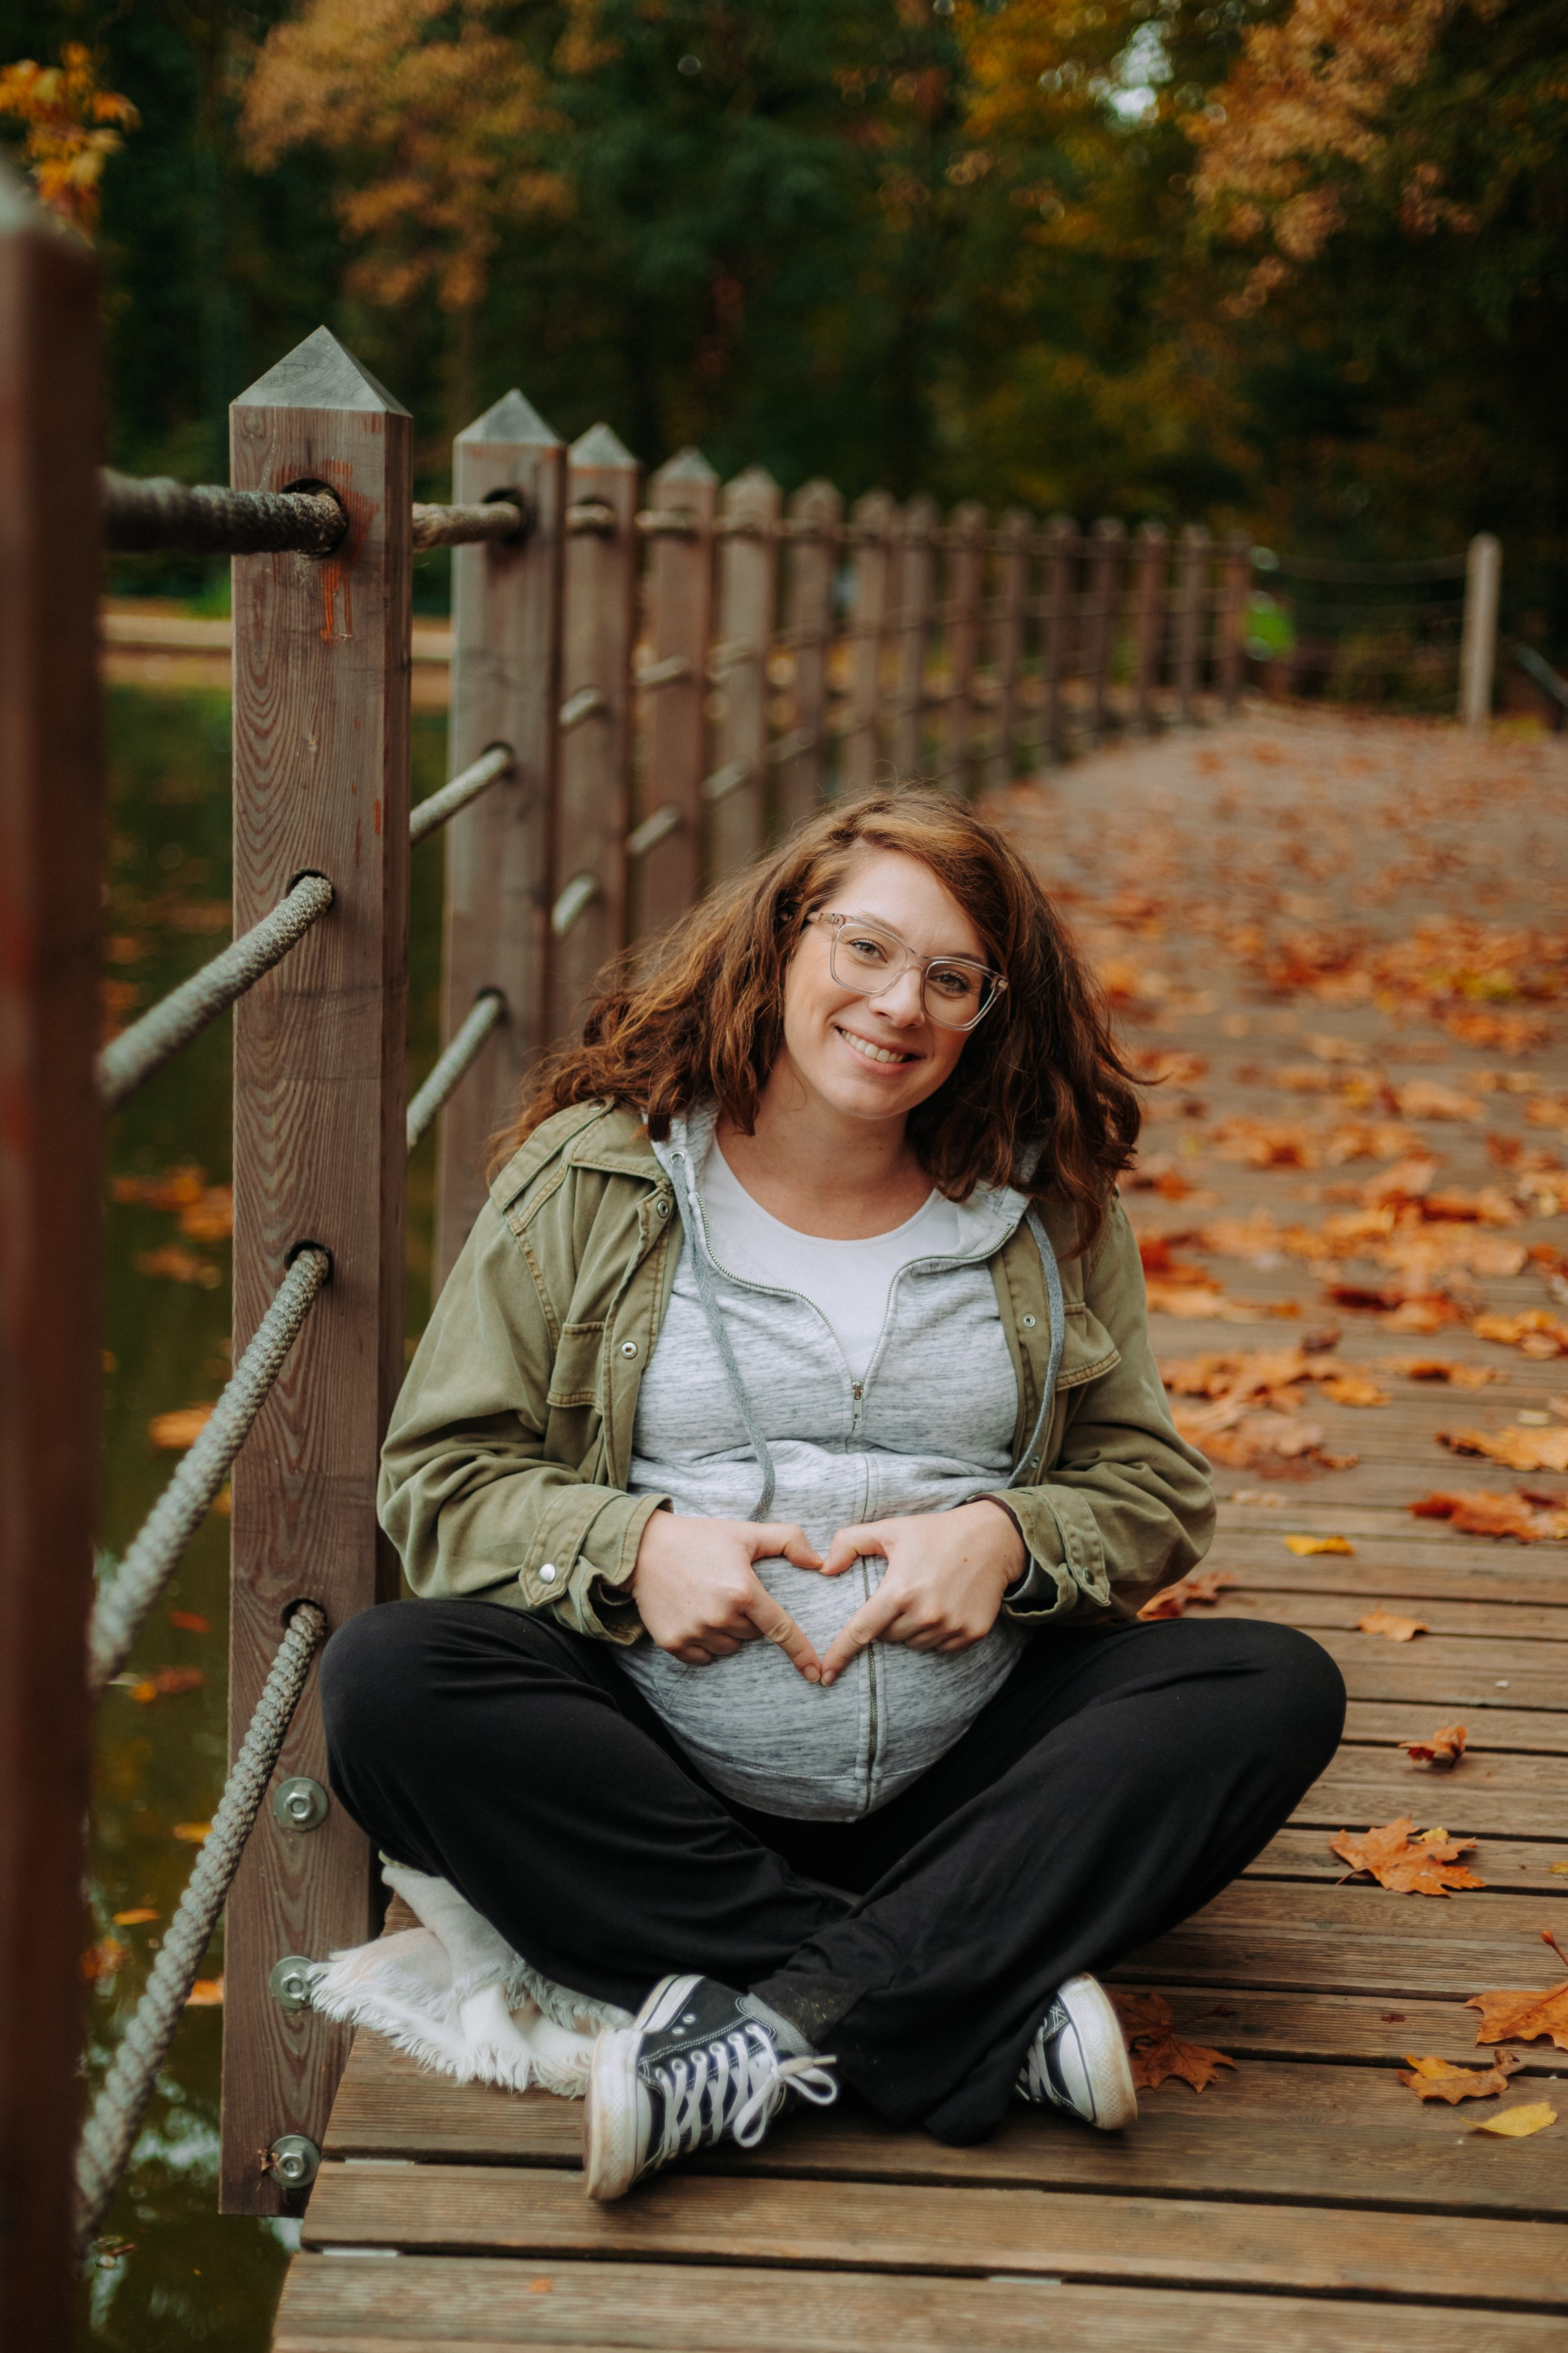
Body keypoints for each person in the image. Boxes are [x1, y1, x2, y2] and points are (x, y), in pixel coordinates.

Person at [320, 788, 1346, 2204]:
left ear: (990, 1007)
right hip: (664, 1777)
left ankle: (771, 2024)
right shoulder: (600, 1174)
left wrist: (1010, 1536)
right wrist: (632, 1545)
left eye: (951, 977)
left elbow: (1152, 1483)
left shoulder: (1044, 1204)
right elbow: (438, 1477)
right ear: (783, 938)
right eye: (865, 948)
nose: (898, 1004)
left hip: (966, 1771)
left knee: (1269, 1683)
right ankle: (970, 1996)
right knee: (389, 1678)